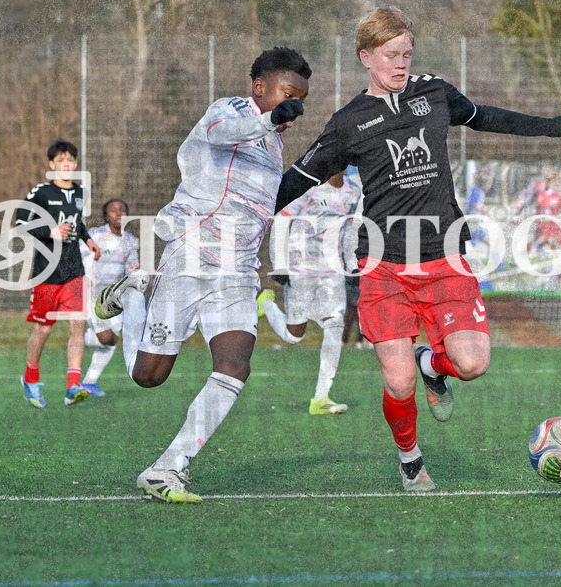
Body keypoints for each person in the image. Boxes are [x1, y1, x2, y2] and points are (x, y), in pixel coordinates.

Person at [274, 7, 561, 491]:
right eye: (390, 55)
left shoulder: (434, 92)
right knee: (398, 383)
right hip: (383, 264)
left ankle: (432, 364)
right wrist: (249, 213)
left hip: (444, 254)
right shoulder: (349, 122)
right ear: (365, 57)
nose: (400, 64)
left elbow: (484, 116)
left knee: (472, 364)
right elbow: (301, 175)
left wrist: (555, 125)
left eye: (406, 53)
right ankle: (410, 458)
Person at [94, 46, 312, 503]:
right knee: (148, 377)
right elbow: (224, 132)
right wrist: (269, 118)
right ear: (260, 88)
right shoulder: (229, 111)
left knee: (235, 366)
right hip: (191, 257)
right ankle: (134, 295)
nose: (293, 108)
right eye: (287, 95)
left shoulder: (275, 147)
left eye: (300, 100)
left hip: (237, 273)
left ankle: (167, 467)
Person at [257, 169, 361, 415]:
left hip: (332, 271)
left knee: (335, 325)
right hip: (301, 268)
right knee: (294, 336)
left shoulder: (352, 192)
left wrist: (353, 263)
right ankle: (267, 304)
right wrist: (279, 264)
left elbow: (350, 231)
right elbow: (282, 220)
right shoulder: (309, 189)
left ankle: (321, 398)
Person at [16, 139, 102, 408]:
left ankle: (72, 386)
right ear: (52, 165)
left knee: (78, 325)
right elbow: (20, 224)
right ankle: (30, 379)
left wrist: (87, 239)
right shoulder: (40, 192)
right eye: (61, 161)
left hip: (74, 270)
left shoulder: (80, 193)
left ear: (75, 164)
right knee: (43, 330)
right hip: (46, 273)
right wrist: (49, 232)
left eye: (71, 161)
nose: (67, 165)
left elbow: (78, 222)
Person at [79, 198, 139, 396]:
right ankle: (79, 339)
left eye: (122, 210)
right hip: (92, 292)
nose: (118, 213)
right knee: (106, 339)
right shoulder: (96, 235)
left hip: (114, 296)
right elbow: (78, 255)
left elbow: (132, 269)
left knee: (113, 340)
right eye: (113, 210)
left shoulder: (130, 241)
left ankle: (89, 383)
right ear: (106, 215)